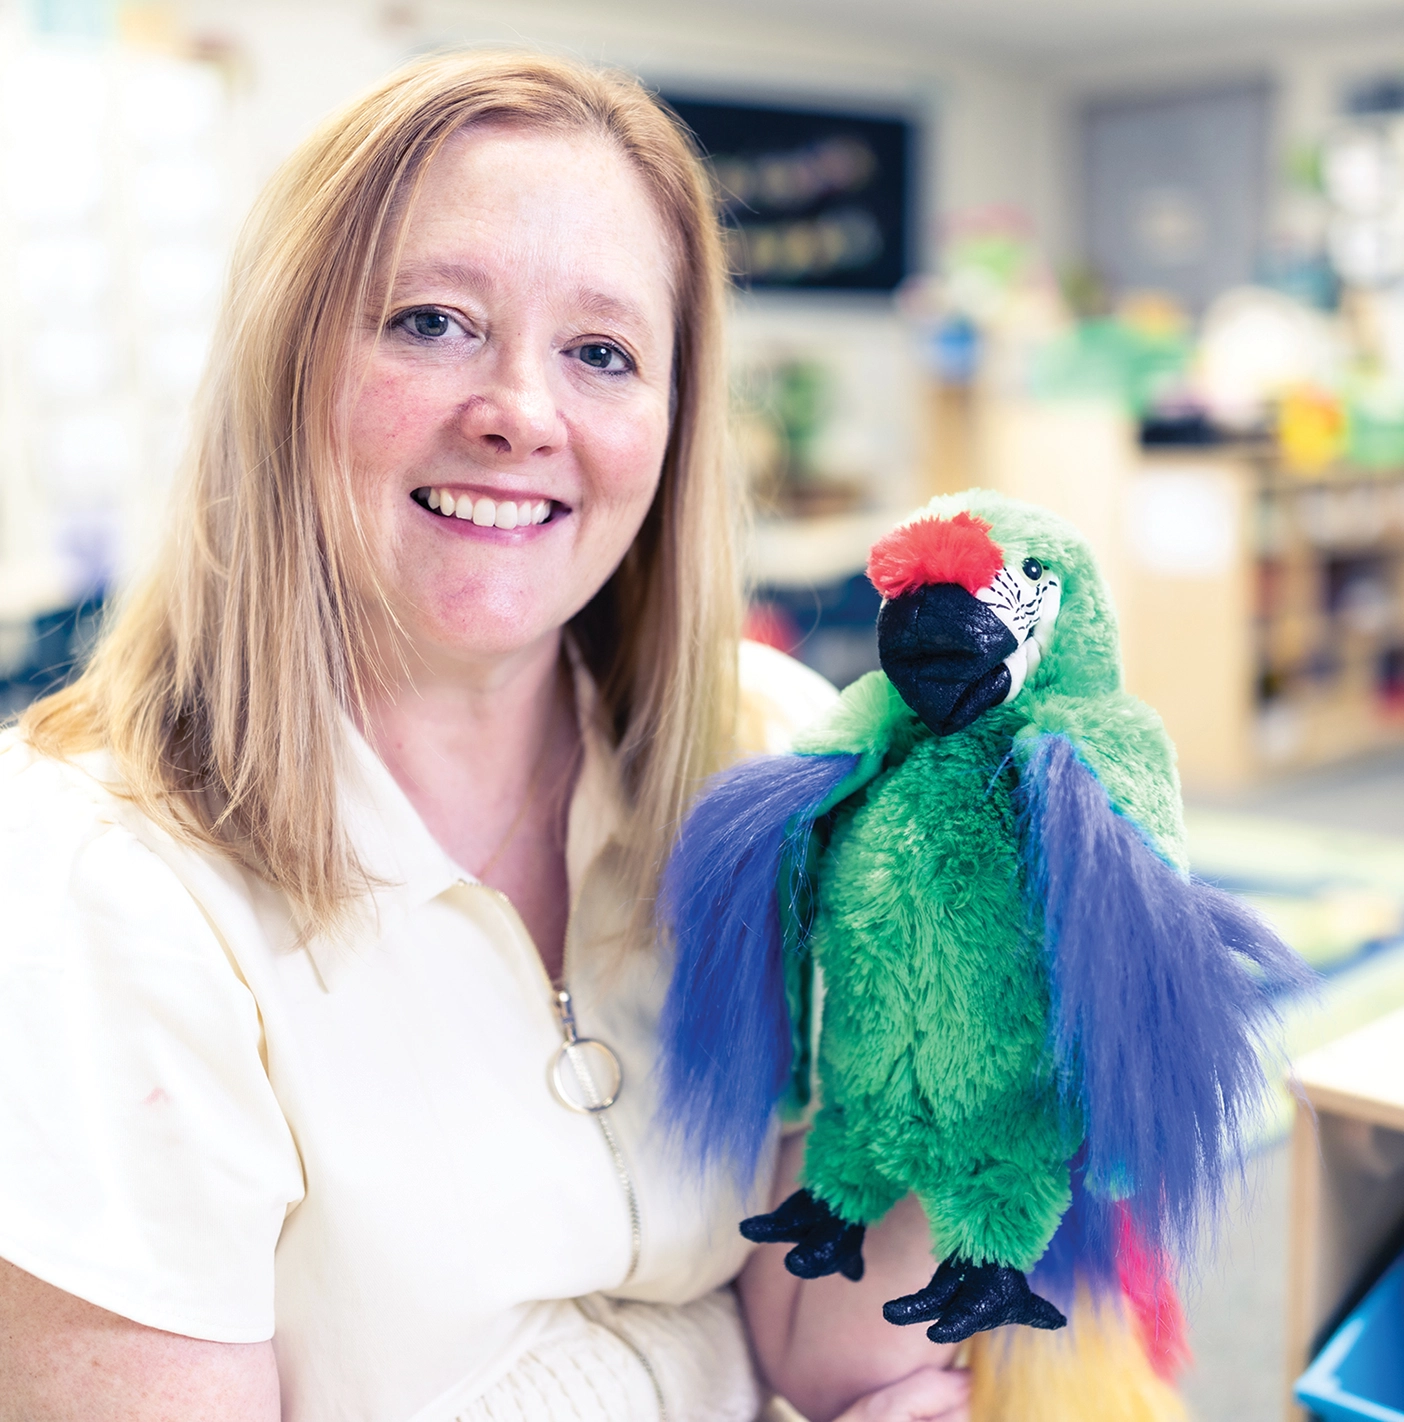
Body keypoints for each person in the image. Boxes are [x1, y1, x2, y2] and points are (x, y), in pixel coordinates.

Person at [0, 52, 970, 1422]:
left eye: (602, 352)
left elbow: (836, 1336)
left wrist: (985, 1022)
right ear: (285, 369)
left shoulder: (772, 755)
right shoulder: (92, 878)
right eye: (432, 322)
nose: (520, 412)